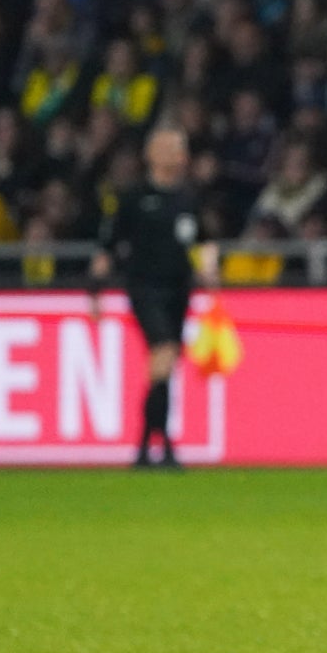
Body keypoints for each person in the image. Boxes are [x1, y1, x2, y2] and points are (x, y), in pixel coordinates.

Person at [91, 127, 218, 468]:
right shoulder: (133, 198)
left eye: (180, 148)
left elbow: (204, 240)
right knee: (163, 351)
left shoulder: (188, 198)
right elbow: (108, 247)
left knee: (167, 364)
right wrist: (95, 291)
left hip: (179, 288)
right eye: (169, 147)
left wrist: (209, 267)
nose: (176, 154)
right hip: (145, 288)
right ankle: (159, 442)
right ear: (152, 154)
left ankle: (151, 444)